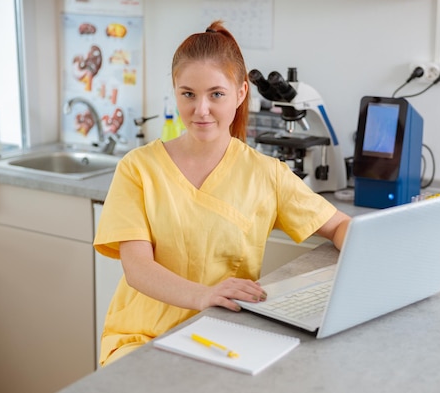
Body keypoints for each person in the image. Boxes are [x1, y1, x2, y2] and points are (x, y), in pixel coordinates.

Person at [93, 20, 350, 367]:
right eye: (188, 94)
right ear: (175, 91)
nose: (201, 110)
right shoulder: (138, 168)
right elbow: (137, 268)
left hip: (224, 336)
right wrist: (204, 295)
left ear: (241, 93)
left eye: (216, 94)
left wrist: (375, 257)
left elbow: (338, 226)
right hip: (142, 339)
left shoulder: (266, 173)